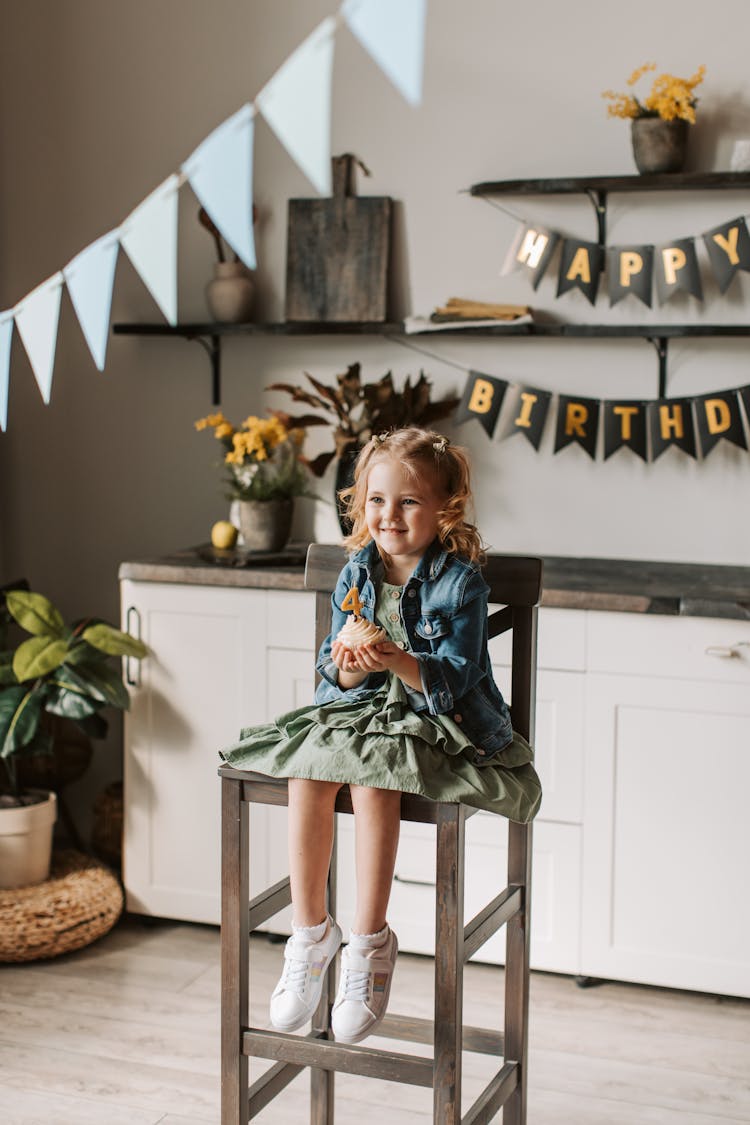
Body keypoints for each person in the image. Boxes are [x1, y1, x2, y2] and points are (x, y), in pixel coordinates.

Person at [221, 427, 541, 1045]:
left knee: (374, 784)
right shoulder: (357, 571)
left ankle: (369, 945)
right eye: (376, 500)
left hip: (436, 717)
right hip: (361, 710)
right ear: (361, 502)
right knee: (308, 771)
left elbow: (454, 677)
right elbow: (331, 672)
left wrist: (393, 658)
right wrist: (350, 659)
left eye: (409, 502)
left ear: (444, 508)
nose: (388, 517)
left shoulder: (461, 582)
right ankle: (312, 936)